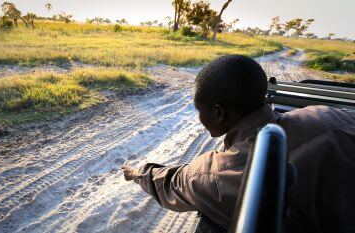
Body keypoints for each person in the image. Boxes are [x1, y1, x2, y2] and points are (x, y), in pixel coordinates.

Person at [121, 55, 355, 233]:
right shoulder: (326, 116)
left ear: (218, 113)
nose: (199, 117)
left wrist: (136, 172)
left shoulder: (216, 173)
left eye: (198, 110)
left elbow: (173, 183)